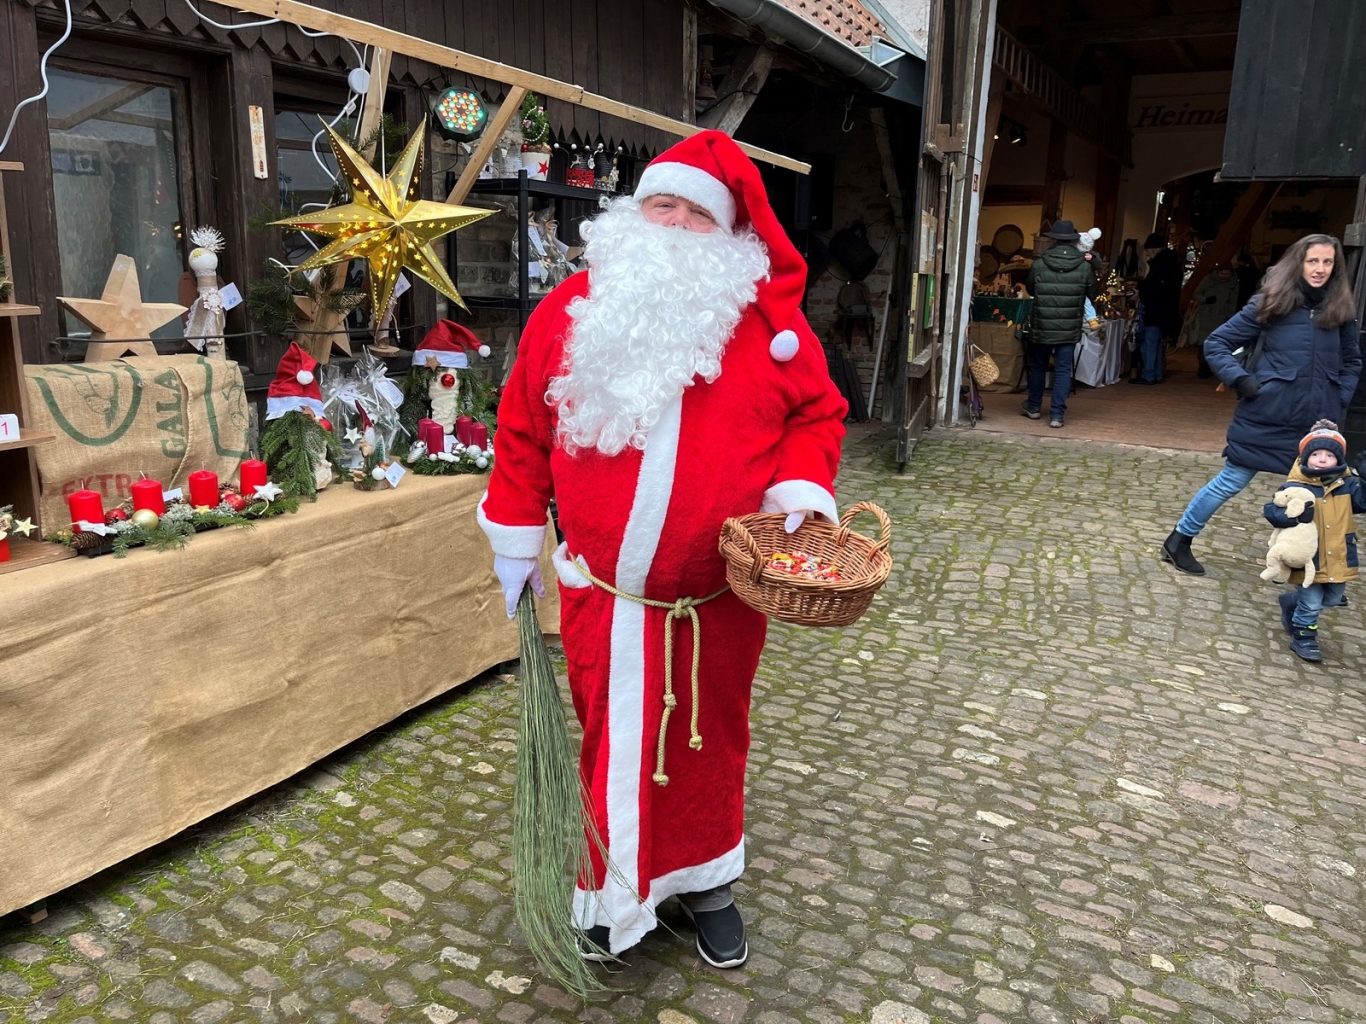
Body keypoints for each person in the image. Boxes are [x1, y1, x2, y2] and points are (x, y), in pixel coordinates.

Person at [477, 130, 848, 969]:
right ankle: (611, 893)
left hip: (712, 600)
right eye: (661, 204)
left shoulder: (768, 330)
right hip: (601, 592)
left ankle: (707, 883)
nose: (675, 222)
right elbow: (523, 428)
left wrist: (799, 484)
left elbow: (817, 415)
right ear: (634, 213)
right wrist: (514, 534)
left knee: (708, 741)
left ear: (726, 235)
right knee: (610, 740)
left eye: (695, 212)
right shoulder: (572, 308)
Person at [1161, 233, 1361, 575]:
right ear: (1299, 263)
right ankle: (1178, 541)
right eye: (1313, 261)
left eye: (1328, 262)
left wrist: (1338, 397)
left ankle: (1326, 567)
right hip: (1267, 414)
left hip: (1317, 423)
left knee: (1326, 495)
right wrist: (1244, 381)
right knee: (1231, 481)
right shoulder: (1272, 302)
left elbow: (1352, 361)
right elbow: (1217, 342)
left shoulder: (1339, 310)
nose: (1320, 269)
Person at [1264, 421, 1366, 662]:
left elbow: (1361, 504)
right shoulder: (1294, 486)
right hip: (1309, 556)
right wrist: (1295, 516)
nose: (1322, 459)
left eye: (1329, 455)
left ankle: (1291, 601)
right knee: (1311, 603)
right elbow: (1271, 511)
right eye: (1316, 454)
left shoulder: (1347, 485)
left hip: (1339, 552)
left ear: (1339, 459)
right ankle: (1304, 637)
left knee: (1331, 598)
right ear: (1304, 458)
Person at [1020, 219, 1097, 429]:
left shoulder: (1039, 263)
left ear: (1053, 238)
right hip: (1069, 327)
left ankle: (1034, 407)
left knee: (1038, 367)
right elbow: (1093, 294)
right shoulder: (1084, 266)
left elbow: (1031, 289)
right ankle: (1056, 415)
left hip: (1042, 324)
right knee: (1063, 370)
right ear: (1074, 240)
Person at [1132, 232, 1182, 384]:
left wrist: (1141, 293)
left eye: (1147, 251)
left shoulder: (1161, 266)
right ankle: (1157, 373)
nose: (1146, 255)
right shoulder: (1170, 263)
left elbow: (1159, 289)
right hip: (1166, 311)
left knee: (1150, 343)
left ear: (1153, 249)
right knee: (1158, 343)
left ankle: (1148, 375)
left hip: (1156, 310)